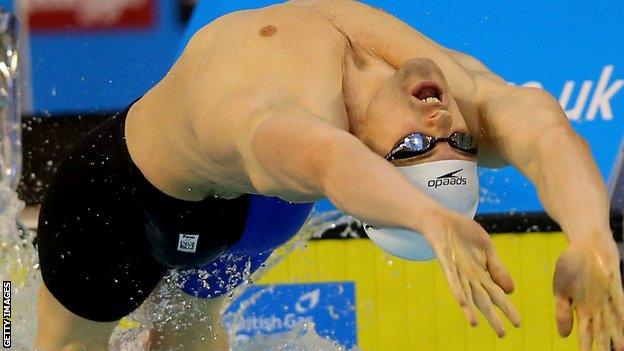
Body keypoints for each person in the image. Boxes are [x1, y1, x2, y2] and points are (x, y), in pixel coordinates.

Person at [34, 1, 624, 350]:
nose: (439, 119)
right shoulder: (446, 93)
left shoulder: (284, 123)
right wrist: (591, 237)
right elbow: (544, 130)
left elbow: (328, 162)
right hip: (178, 199)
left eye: (418, 146)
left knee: (144, 333)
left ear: (369, 151)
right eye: (459, 143)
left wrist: (427, 218)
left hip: (144, 207)